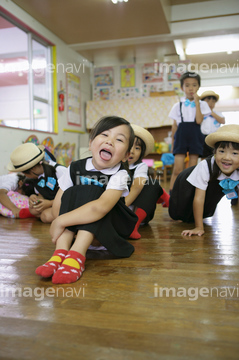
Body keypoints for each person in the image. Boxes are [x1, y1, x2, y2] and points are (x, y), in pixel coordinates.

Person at [35, 116, 138, 284]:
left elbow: (101, 208)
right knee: (72, 191)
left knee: (92, 190)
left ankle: (77, 254)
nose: (110, 141)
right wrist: (59, 218)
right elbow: (59, 203)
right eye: (104, 135)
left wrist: (60, 221)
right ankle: (60, 253)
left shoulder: (121, 174)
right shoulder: (74, 167)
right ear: (90, 143)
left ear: (126, 156)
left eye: (119, 139)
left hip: (110, 227)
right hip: (78, 228)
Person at [169, 124, 239, 236]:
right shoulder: (205, 166)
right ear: (215, 152)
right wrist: (199, 227)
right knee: (179, 213)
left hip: (212, 189)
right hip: (186, 184)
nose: (226, 157)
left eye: (234, 153)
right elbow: (199, 197)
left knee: (206, 213)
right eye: (221, 151)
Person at [124, 124, 170, 239]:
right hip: (118, 212)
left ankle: (134, 226)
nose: (132, 151)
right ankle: (161, 194)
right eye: (129, 146)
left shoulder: (140, 166)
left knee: (151, 183)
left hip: (139, 212)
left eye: (137, 148)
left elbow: (138, 186)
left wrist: (123, 206)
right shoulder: (112, 166)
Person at [168, 71, 211, 192]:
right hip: (181, 136)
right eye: (187, 85)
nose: (191, 88)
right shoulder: (178, 105)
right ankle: (172, 194)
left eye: (194, 85)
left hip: (196, 136)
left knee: (192, 169)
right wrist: (173, 142)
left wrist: (197, 103)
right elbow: (174, 126)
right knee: (177, 169)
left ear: (198, 87)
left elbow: (198, 121)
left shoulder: (202, 104)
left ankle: (188, 193)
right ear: (182, 87)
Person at [7, 143, 67, 223]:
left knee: (46, 216)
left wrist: (49, 203)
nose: (25, 176)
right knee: (33, 210)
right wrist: (35, 198)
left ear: (33, 169)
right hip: (53, 205)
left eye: (25, 174)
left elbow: (70, 195)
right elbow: (41, 195)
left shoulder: (59, 171)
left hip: (66, 203)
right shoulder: (36, 177)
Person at [200, 90, 225, 158]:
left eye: (213, 101)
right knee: (204, 156)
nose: (210, 103)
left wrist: (211, 112)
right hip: (203, 137)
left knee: (215, 155)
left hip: (215, 137)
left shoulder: (217, 113)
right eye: (208, 101)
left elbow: (222, 121)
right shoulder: (201, 113)